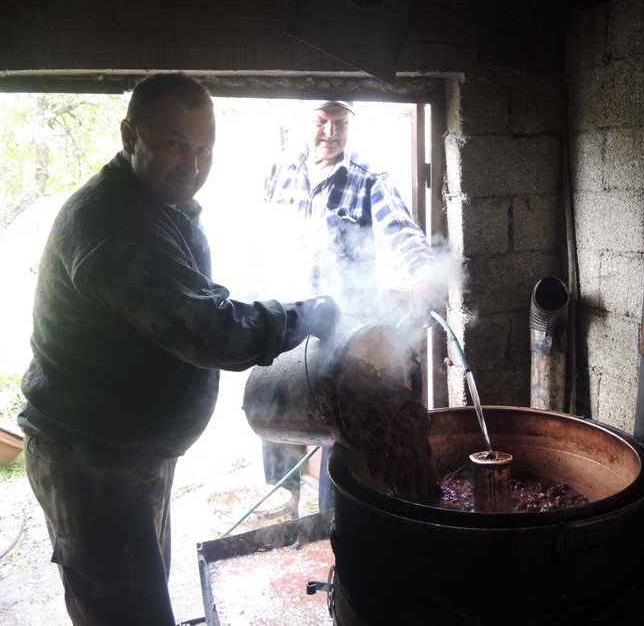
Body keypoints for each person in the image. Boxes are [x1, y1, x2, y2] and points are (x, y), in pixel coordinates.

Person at [16, 73, 340, 626]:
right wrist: (304, 315)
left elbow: (197, 297)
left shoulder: (156, 204)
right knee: (127, 613)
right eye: (173, 145)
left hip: (129, 453)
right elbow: (206, 329)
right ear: (128, 137)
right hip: (91, 463)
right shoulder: (114, 224)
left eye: (204, 148)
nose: (192, 165)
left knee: (141, 596)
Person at [260, 99, 445, 514]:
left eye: (340, 122)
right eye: (321, 121)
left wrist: (424, 275)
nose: (331, 131)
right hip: (286, 321)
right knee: (276, 419)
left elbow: (402, 232)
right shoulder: (281, 169)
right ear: (301, 122)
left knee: (341, 430)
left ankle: (335, 522)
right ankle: (282, 513)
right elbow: (265, 237)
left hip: (340, 332)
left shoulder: (367, 178)